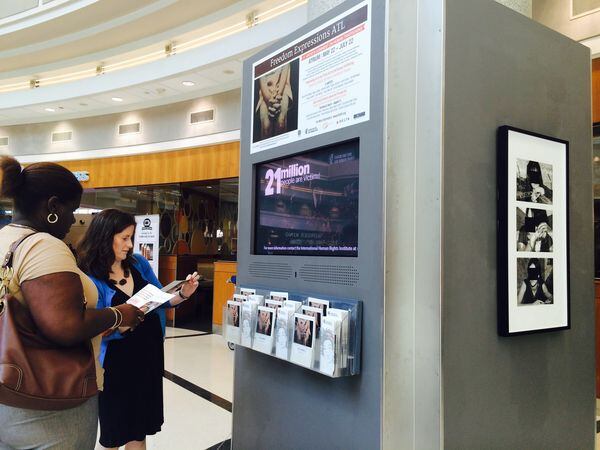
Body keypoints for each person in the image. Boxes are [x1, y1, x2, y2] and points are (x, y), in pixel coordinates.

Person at [0, 157, 143, 449]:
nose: (72, 221)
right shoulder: (44, 246)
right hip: (48, 404)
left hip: (7, 391)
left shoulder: (5, 238)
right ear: (53, 207)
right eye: (71, 211)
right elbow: (64, 326)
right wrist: (118, 315)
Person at [77, 209, 199, 450]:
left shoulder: (138, 264)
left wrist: (183, 293)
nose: (129, 244)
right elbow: (92, 327)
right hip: (115, 364)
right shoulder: (89, 276)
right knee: (114, 430)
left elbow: (160, 298)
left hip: (148, 355)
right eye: (124, 238)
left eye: (131, 237)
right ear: (105, 237)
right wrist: (122, 324)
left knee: (139, 429)